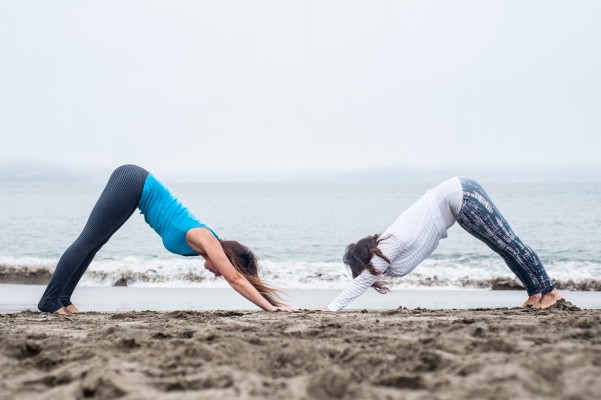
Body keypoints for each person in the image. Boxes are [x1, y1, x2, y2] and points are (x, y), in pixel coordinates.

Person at [38, 164, 293, 314]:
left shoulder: (202, 245)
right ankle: (49, 300)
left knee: (94, 244)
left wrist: (271, 304)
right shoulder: (206, 239)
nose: (218, 274)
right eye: (222, 268)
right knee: (87, 241)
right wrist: (271, 309)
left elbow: (236, 277)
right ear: (228, 258)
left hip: (136, 188)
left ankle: (63, 299)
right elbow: (235, 279)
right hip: (133, 181)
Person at [323, 177, 562, 312]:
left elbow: (363, 281)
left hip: (463, 195)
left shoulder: (388, 245)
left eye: (359, 268)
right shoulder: (387, 250)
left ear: (364, 259)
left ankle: (550, 292)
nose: (363, 273)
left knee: (510, 244)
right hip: (459, 200)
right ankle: (535, 294)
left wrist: (332, 308)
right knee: (504, 248)